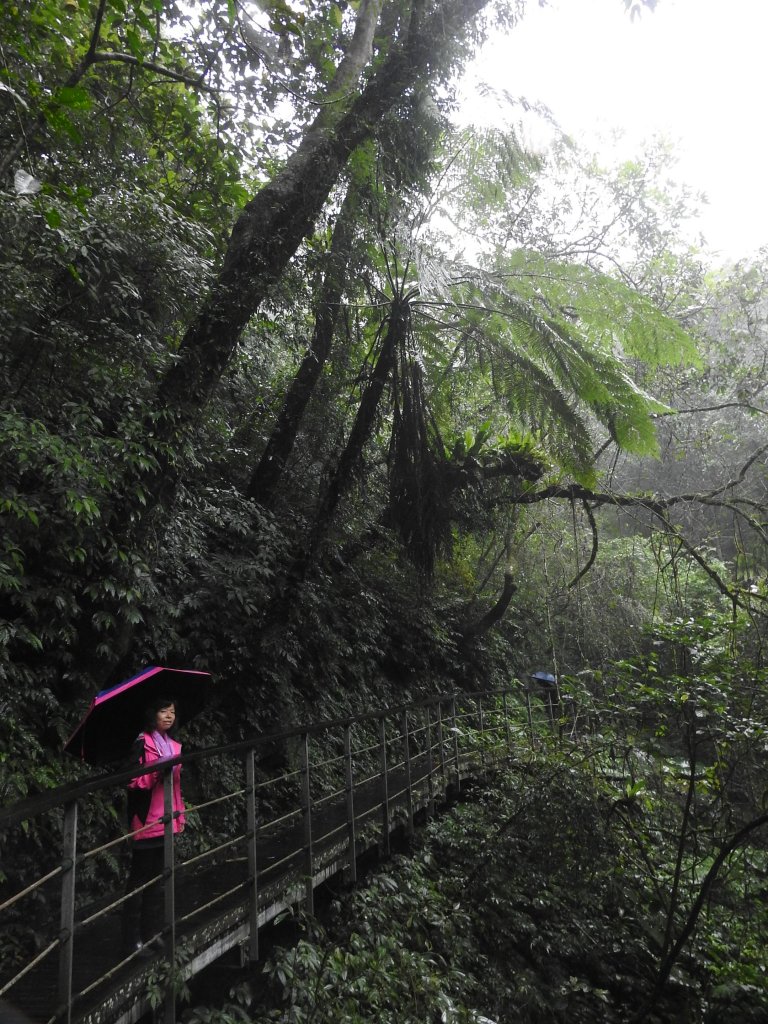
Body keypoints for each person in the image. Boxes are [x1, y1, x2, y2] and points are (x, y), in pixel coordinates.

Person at [121, 696, 185, 957]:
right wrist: (155, 771)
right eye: (163, 711)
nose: (169, 716)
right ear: (152, 714)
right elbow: (131, 780)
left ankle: (151, 934)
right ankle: (131, 939)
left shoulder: (172, 744)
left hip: (167, 818)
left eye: (172, 711)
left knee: (157, 879)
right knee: (139, 879)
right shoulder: (141, 742)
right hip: (146, 820)